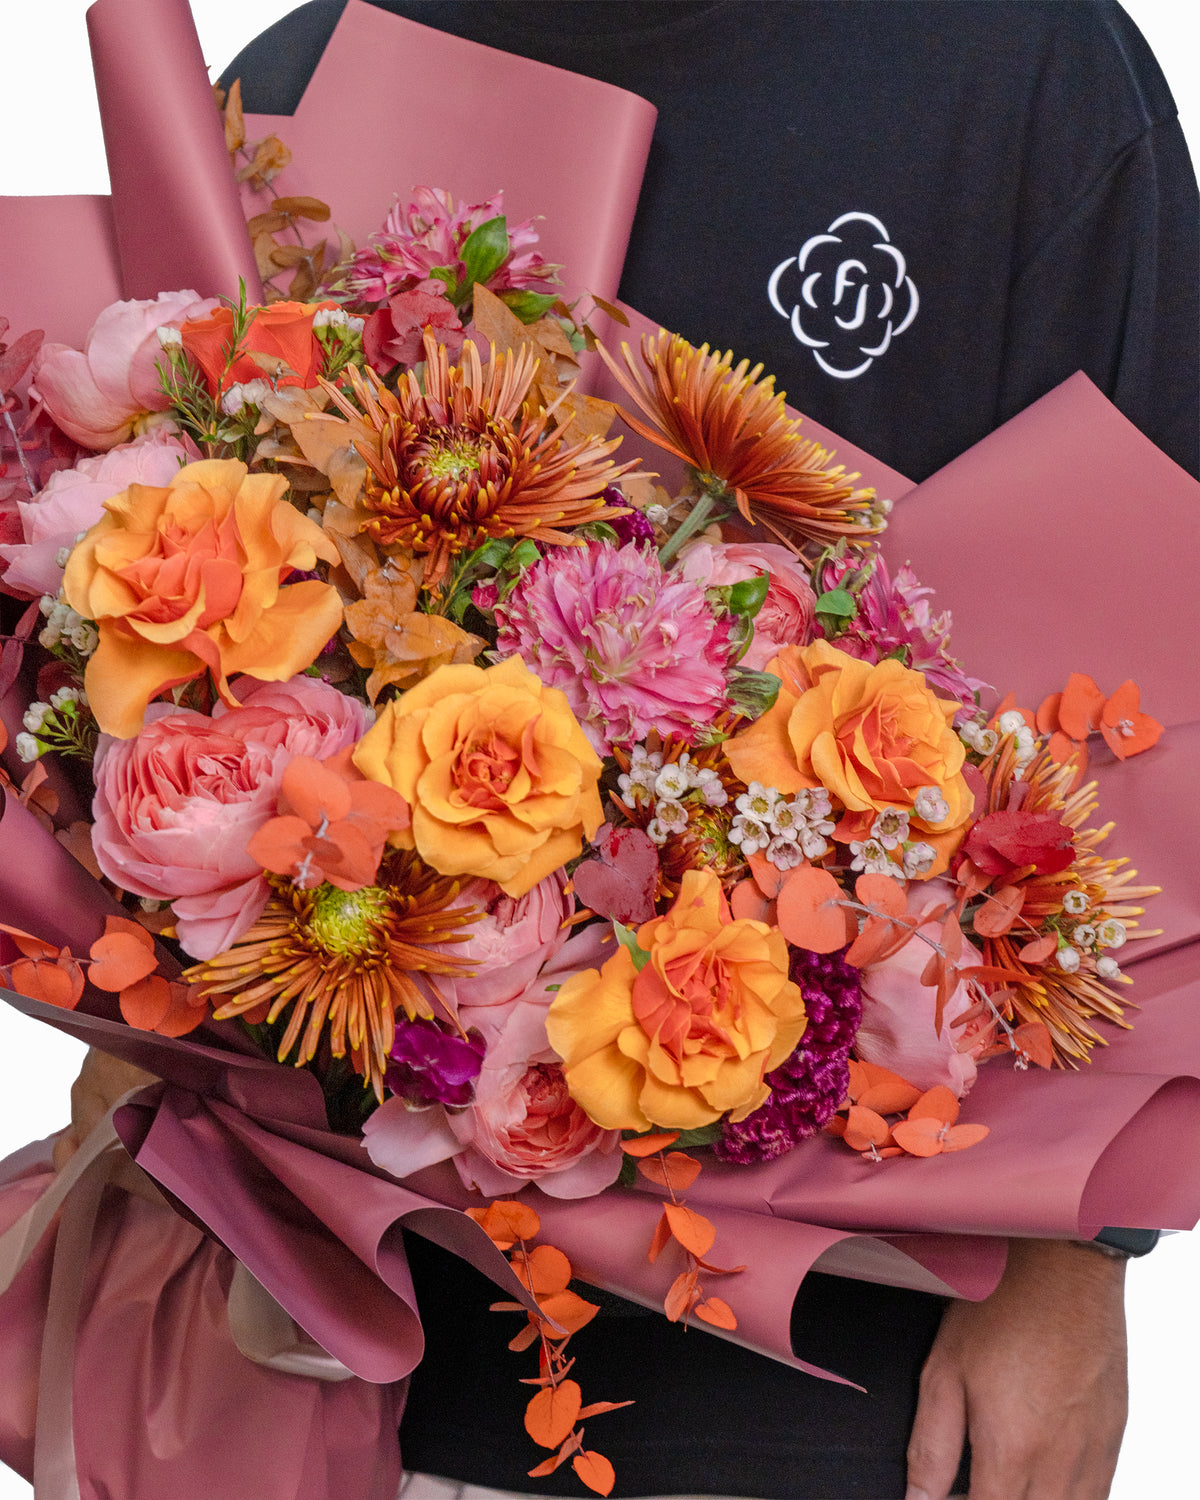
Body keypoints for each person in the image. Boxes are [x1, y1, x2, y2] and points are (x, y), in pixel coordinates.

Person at [59, 3, 1198, 1498]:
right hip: (345, 1346)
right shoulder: (301, 87)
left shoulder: (1015, 61)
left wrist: (1083, 1270)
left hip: (864, 1345)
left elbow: (1159, 655)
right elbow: (123, 664)